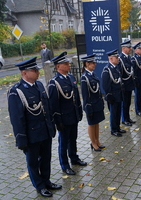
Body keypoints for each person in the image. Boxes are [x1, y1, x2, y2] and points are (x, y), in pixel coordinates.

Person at [7, 57, 62, 197]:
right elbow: (17, 119)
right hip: (31, 134)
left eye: (37, 69)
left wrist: (52, 125)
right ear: (25, 73)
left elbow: (47, 108)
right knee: (33, 162)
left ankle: (46, 181)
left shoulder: (39, 85)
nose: (38, 72)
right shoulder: (16, 91)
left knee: (46, 158)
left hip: (44, 131)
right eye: (35, 70)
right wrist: (21, 140)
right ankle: (39, 186)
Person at [48, 51, 87, 175]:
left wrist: (79, 111)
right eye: (65, 64)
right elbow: (53, 104)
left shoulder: (71, 77)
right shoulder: (54, 83)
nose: (68, 65)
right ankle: (64, 165)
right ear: (58, 66)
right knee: (63, 142)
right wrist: (57, 121)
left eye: (68, 63)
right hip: (64, 118)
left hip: (73, 115)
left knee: (73, 139)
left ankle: (74, 158)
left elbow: (75, 96)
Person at [80, 54, 105, 151]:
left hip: (97, 103)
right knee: (91, 124)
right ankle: (93, 143)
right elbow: (85, 95)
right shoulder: (84, 78)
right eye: (93, 63)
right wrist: (88, 107)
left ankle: (97, 141)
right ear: (87, 64)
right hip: (91, 105)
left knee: (96, 123)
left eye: (95, 63)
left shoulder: (92, 74)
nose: (95, 64)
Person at [101, 49, 126, 137]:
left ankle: (117, 127)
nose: (118, 59)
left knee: (118, 112)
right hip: (113, 96)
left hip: (119, 94)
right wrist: (109, 96)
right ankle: (113, 129)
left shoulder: (116, 68)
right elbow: (106, 85)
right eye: (116, 57)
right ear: (111, 59)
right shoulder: (107, 70)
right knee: (114, 113)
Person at [119, 40, 136, 126]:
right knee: (124, 103)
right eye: (129, 47)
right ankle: (124, 119)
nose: (130, 49)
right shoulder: (120, 59)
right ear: (124, 48)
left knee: (128, 102)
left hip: (129, 84)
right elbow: (120, 74)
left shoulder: (129, 57)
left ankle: (128, 117)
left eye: (130, 47)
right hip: (124, 85)